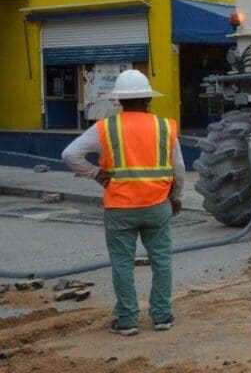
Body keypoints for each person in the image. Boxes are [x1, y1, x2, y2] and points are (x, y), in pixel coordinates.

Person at [61, 69, 184, 336]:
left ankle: (127, 320)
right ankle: (162, 316)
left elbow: (70, 155)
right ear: (147, 100)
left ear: (119, 101)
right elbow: (179, 169)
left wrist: (95, 174)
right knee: (161, 261)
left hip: (120, 208)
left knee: (122, 263)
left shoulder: (105, 127)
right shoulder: (164, 126)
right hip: (156, 205)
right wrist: (176, 198)